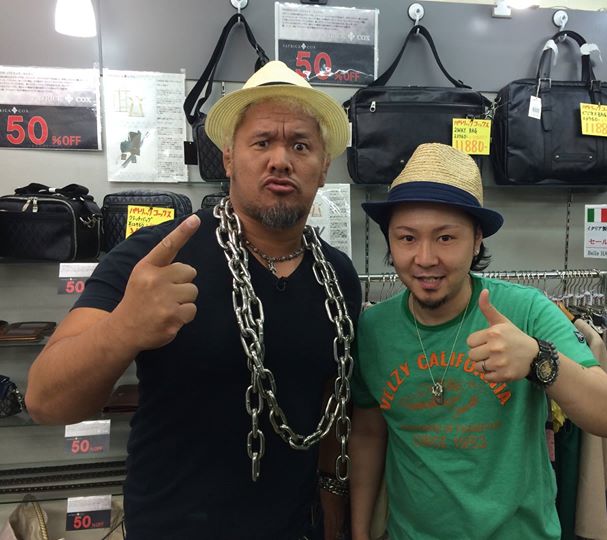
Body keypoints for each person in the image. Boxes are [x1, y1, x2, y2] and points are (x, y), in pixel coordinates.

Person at [25, 61, 361, 540]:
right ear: (229, 159)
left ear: (323, 168)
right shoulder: (154, 258)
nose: (280, 160)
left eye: (300, 146)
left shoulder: (338, 276)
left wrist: (333, 512)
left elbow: (332, 410)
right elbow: (45, 402)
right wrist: (123, 329)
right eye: (262, 142)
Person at [349, 143, 607, 540]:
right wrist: (360, 531)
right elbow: (368, 434)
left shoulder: (525, 311)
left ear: (477, 239)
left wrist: (538, 360)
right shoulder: (374, 328)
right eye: (407, 238)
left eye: (446, 238)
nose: (425, 258)